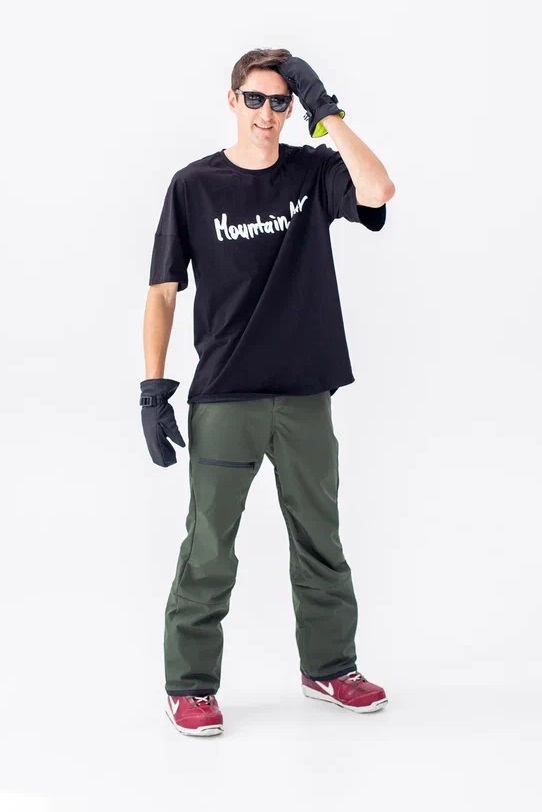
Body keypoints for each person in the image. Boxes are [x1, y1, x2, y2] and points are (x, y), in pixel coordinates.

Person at [140, 48, 395, 737]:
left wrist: (326, 113)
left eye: (281, 101)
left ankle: (330, 668)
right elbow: (162, 292)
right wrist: (153, 387)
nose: (266, 113)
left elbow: (377, 190)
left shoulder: (313, 172)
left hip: (306, 390)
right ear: (232, 100)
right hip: (226, 394)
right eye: (254, 98)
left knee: (320, 538)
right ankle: (190, 684)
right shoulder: (194, 185)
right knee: (209, 545)